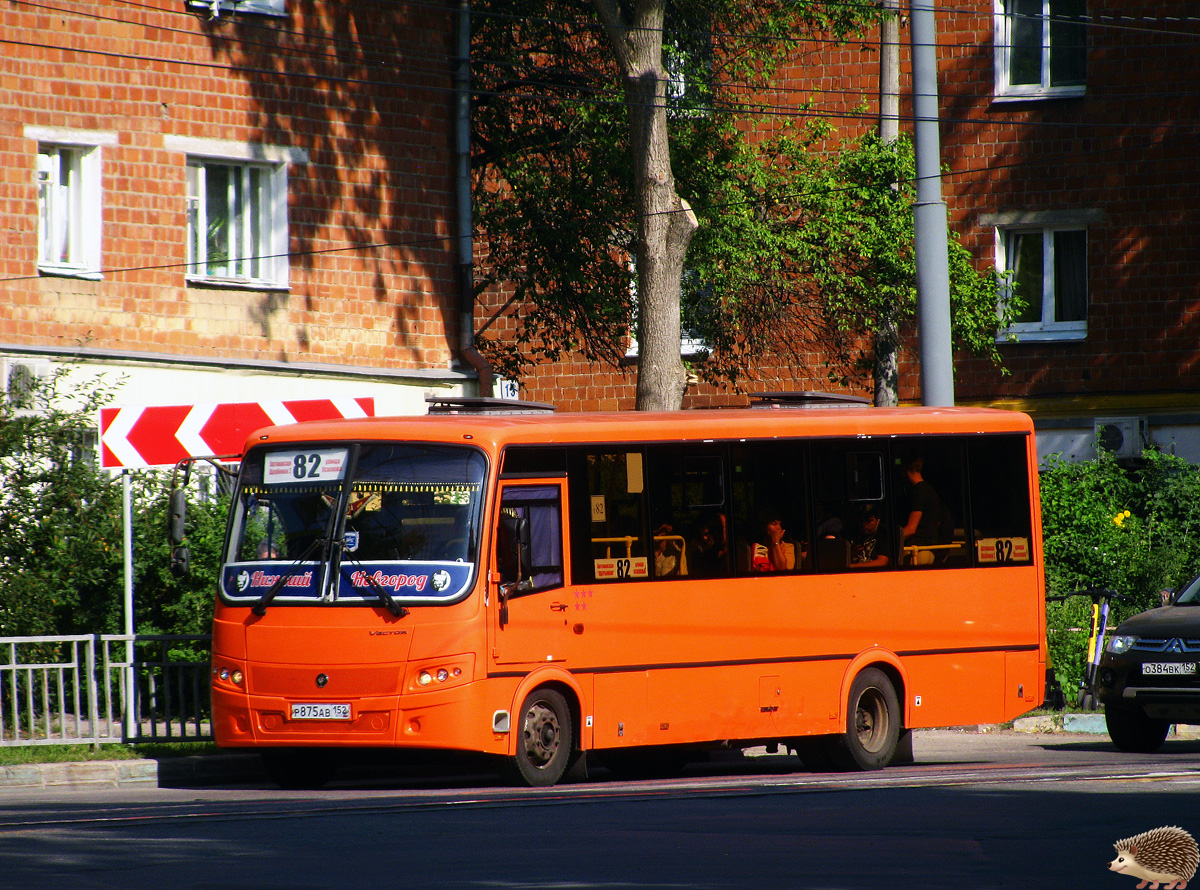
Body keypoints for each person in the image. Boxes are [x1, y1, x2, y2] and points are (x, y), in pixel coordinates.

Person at [849, 504, 891, 568]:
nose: (864, 524)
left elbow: (882, 561)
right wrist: (850, 554)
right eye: (861, 520)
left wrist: (853, 566)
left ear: (878, 521)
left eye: (868, 521)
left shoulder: (883, 534)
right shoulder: (850, 533)